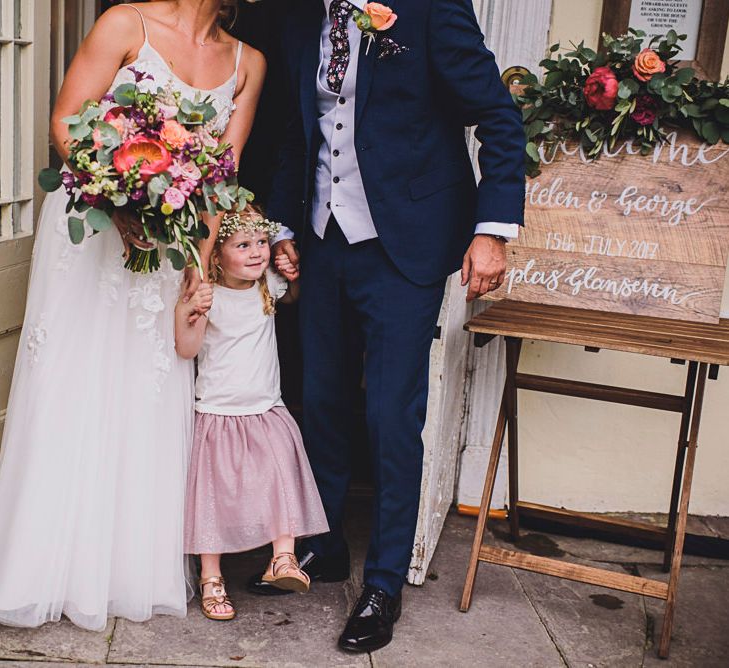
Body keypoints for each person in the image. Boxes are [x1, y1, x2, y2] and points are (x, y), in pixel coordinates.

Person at [249, 0, 525, 653]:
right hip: (323, 239)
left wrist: (493, 230)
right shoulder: (297, 19)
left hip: (409, 243)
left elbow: (497, 116)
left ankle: (384, 581)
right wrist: (285, 224)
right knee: (321, 401)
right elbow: (300, 130)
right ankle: (322, 546)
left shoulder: (430, 11)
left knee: (391, 414)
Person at [0, 1, 265, 630]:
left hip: (167, 249)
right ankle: (43, 565)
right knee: (75, 383)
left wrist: (199, 268)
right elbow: (65, 122)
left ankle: (124, 571)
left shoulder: (249, 64)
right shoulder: (125, 24)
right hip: (91, 238)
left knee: (146, 394)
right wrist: (114, 198)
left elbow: (221, 178)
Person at [175, 205, 328, 621]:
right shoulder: (209, 294)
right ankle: (211, 575)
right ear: (216, 254)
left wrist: (289, 270)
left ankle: (283, 557)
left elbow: (294, 295)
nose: (257, 252)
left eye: (261, 242)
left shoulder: (268, 287)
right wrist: (189, 311)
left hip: (266, 408)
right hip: (219, 412)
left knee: (279, 477)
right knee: (213, 496)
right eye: (243, 245)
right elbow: (187, 349)